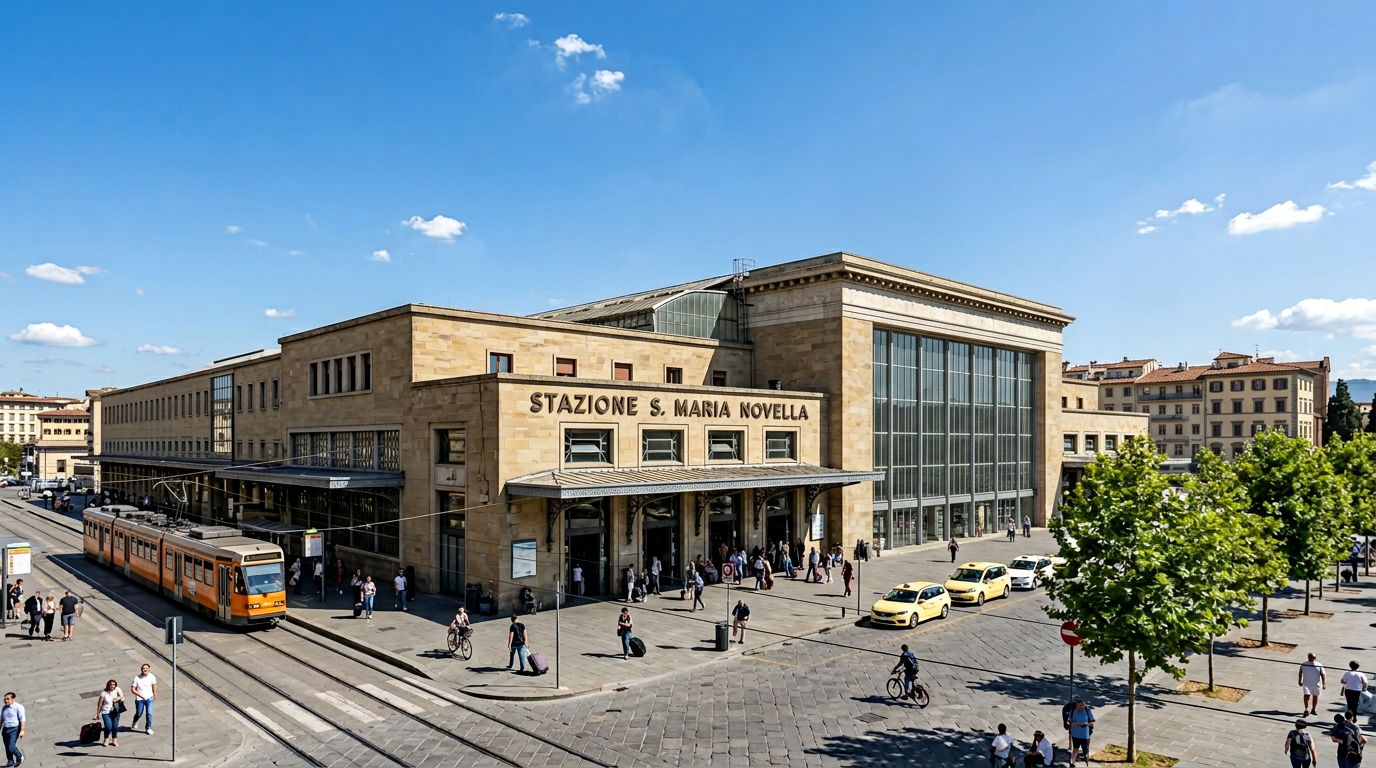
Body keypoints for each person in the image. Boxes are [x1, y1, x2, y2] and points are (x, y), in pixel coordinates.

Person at [94, 678, 124, 747]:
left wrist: (118, 698)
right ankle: (106, 739)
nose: (112, 686)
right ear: (108, 685)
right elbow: (100, 704)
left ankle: (114, 739)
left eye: (114, 685)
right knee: (108, 727)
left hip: (116, 711)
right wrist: (97, 713)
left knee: (115, 726)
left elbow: (122, 696)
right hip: (106, 712)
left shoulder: (117, 690)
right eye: (111, 685)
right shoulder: (104, 693)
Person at [130, 663, 156, 736]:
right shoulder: (137, 678)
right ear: (141, 669)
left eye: (146, 668)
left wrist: (155, 694)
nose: (145, 669)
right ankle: (135, 721)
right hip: (140, 699)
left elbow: (154, 686)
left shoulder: (152, 676)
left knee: (149, 713)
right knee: (139, 713)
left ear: (148, 669)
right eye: (143, 668)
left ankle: (148, 728)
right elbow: (133, 689)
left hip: (149, 698)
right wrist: (140, 695)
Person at [1068, 699, 1095, 766]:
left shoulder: (1087, 710)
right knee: (1075, 749)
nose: (1080, 707)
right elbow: (1070, 722)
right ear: (1076, 705)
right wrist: (1077, 723)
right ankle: (1072, 762)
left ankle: (1086, 760)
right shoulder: (1073, 711)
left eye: (1081, 705)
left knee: (1085, 750)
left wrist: (1086, 724)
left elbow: (1092, 724)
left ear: (1084, 705)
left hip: (1085, 735)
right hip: (1075, 734)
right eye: (1078, 705)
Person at [1, 692, 24, 767]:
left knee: (11, 747)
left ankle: (19, 756)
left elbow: (22, 719)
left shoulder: (18, 707)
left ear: (13, 699)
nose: (6, 701)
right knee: (7, 747)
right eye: (5, 699)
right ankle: (10, 761)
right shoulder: (4, 708)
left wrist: (22, 730)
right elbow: (2, 720)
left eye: (8, 699)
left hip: (14, 729)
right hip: (5, 729)